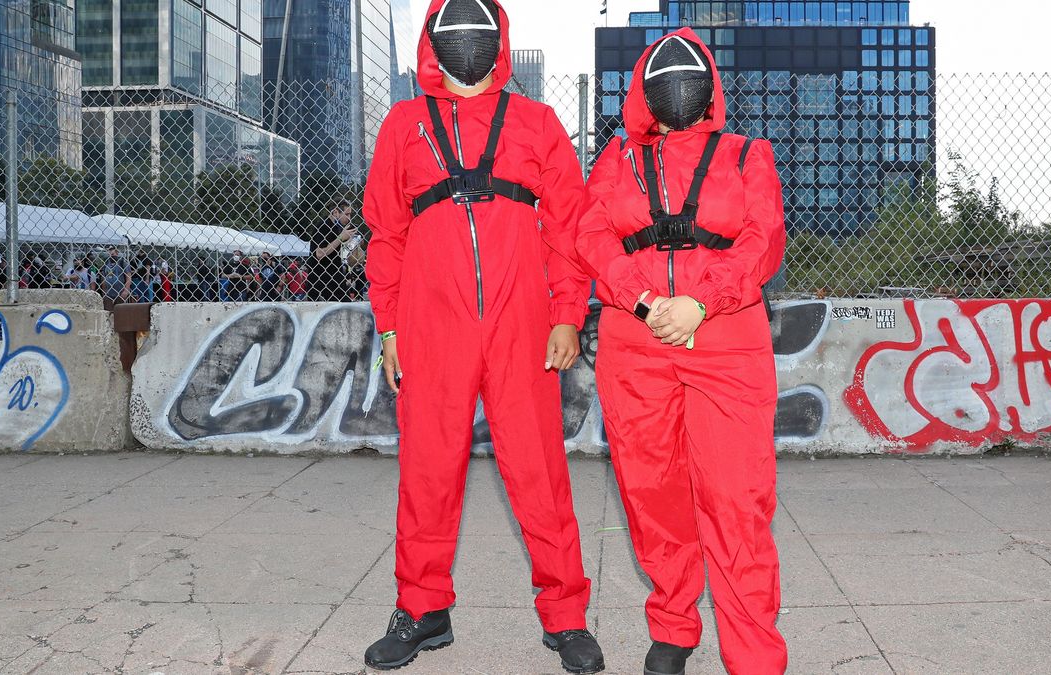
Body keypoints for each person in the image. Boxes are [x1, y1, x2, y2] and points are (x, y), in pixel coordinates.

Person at [361, 1, 602, 672]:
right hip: (428, 322)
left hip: (521, 322)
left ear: (499, 42)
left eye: (479, 33)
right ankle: (422, 607)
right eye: (454, 33)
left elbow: (567, 228)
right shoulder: (403, 125)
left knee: (539, 470)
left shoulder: (538, 122)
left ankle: (566, 615)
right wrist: (388, 326)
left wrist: (565, 315)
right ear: (432, 44)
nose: (467, 44)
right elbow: (387, 234)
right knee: (427, 470)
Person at [575, 29, 789, 675]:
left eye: (690, 70)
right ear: (642, 87)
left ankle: (753, 653)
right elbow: (589, 232)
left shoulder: (750, 154)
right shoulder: (614, 158)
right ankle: (674, 621)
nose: (677, 79)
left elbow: (763, 237)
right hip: (634, 344)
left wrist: (702, 300)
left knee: (736, 499)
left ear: (710, 88)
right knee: (652, 493)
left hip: (727, 343)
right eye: (662, 69)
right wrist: (642, 299)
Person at [306, 201, 357, 301]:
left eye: (350, 214)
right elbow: (319, 253)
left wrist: (349, 241)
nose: (349, 218)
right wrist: (341, 238)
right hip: (321, 281)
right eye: (346, 214)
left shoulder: (335, 227)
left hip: (333, 279)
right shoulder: (324, 226)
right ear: (335, 212)